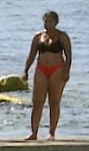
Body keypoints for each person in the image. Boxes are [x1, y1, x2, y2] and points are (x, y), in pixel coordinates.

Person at [22, 10, 71, 141]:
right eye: (45, 21)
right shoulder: (38, 37)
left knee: (54, 102)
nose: (47, 23)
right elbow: (32, 55)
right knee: (37, 102)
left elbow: (68, 55)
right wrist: (26, 70)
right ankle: (34, 133)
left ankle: (52, 132)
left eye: (50, 21)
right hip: (41, 69)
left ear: (56, 22)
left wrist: (66, 71)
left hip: (57, 69)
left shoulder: (62, 36)